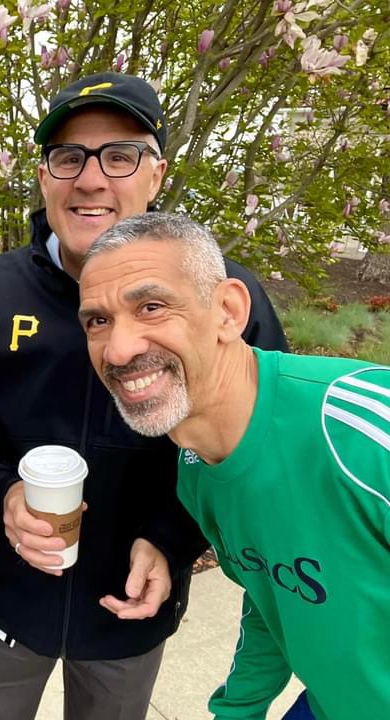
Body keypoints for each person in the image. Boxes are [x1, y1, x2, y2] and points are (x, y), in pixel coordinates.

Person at [0, 72, 289, 720]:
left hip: (131, 611)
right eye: (68, 157)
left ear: (157, 174)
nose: (91, 179)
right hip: (7, 598)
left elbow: (247, 449)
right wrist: (0, 492)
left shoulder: (220, 302)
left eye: (118, 155)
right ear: (44, 177)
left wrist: (174, 540)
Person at [78, 211, 390, 720]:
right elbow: (277, 589)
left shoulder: (364, 432)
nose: (118, 348)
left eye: (152, 307)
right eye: (98, 321)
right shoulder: (198, 467)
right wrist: (238, 710)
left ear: (228, 310)